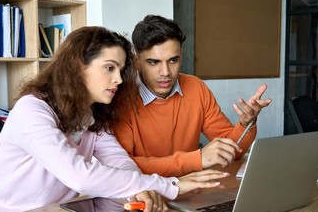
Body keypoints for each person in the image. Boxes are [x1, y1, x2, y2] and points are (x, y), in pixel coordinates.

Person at [0, 26, 230, 212]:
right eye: (109, 68)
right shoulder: (31, 110)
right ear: (78, 67)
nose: (118, 80)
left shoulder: (91, 116)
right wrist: (171, 186)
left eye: (121, 70)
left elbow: (120, 163)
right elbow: (80, 175)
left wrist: (142, 190)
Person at [112, 15, 272, 177]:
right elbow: (124, 166)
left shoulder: (196, 87)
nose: (165, 72)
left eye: (173, 60)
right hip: (146, 194)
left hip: (191, 191)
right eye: (154, 62)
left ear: (181, 56)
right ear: (137, 61)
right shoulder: (120, 97)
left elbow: (233, 152)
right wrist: (196, 159)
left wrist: (245, 125)